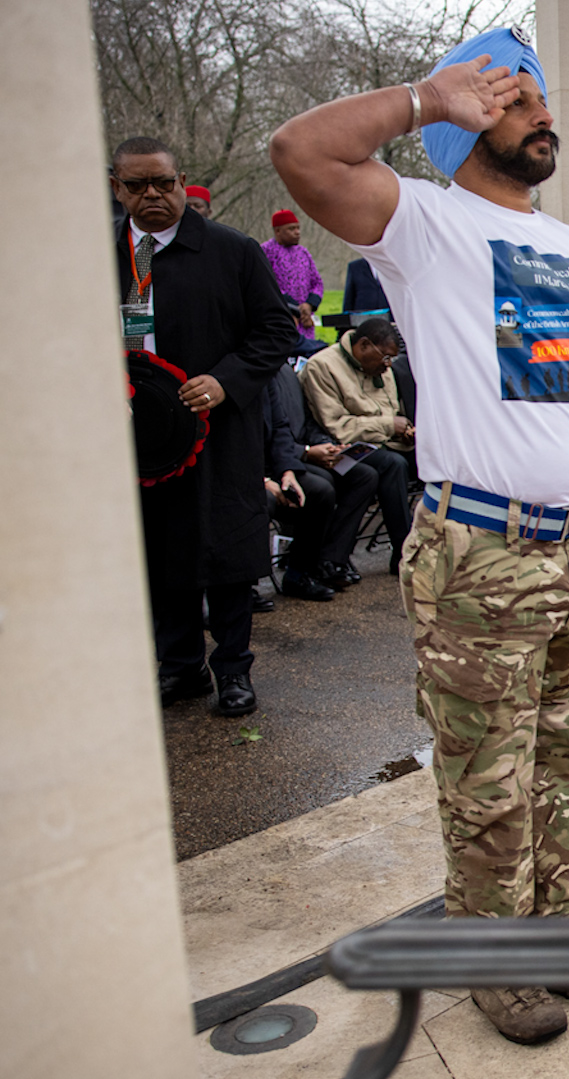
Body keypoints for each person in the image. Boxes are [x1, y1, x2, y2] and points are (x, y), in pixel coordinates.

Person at [270, 26, 569, 1041]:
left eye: (541, 101)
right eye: (516, 102)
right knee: (486, 772)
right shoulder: (423, 222)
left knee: (565, 759)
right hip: (483, 552)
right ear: (469, 120)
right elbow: (299, 152)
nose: (541, 116)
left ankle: (556, 937)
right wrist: (427, 98)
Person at [114, 135, 299, 717]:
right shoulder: (97, 255)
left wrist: (225, 381)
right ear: (116, 187)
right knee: (160, 551)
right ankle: (180, 668)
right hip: (139, 438)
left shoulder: (232, 251)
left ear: (180, 181)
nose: (152, 196)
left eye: (163, 183)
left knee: (223, 550)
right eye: (137, 185)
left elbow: (275, 332)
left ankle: (233, 672)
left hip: (218, 430)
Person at [298, 317, 416, 572]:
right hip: (340, 446)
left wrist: (404, 431)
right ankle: (404, 553)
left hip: (385, 442)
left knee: (431, 458)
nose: (388, 367)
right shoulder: (322, 366)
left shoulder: (380, 368)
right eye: (385, 358)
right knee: (391, 465)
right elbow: (336, 426)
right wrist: (388, 426)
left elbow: (391, 411)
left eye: (391, 360)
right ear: (363, 346)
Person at [263, 360, 378, 599]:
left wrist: (325, 446)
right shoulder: (253, 373)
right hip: (267, 463)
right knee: (322, 486)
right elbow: (267, 437)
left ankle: (330, 559)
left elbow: (302, 422)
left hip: (293, 455)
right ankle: (297, 571)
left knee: (364, 476)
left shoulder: (285, 371)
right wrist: (304, 452)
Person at [261, 209, 325, 341]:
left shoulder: (303, 252)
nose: (297, 232)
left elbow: (317, 283)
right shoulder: (266, 251)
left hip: (305, 319)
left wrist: (308, 305)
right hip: (282, 318)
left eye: (298, 228)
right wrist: (294, 308)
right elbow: (267, 284)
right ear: (278, 231)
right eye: (291, 229)